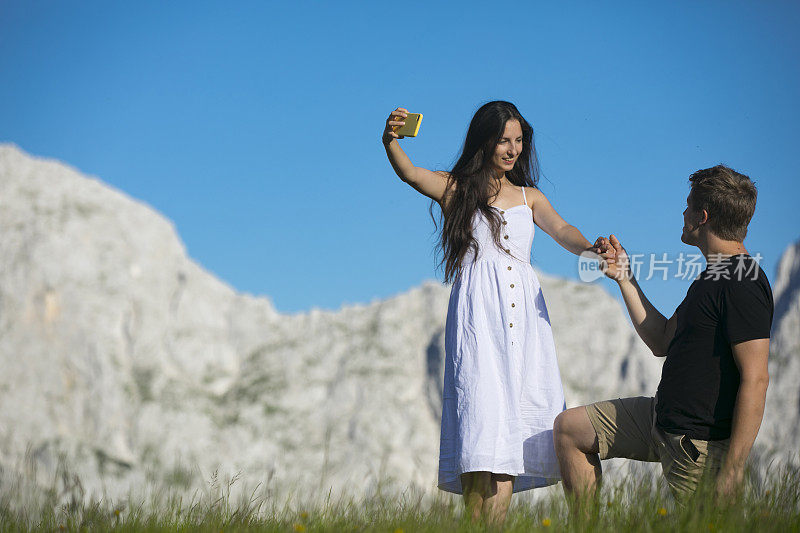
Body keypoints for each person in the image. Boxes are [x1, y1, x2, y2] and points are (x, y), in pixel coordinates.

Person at [382, 101, 596, 526]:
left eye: (518, 140)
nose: (513, 149)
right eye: (503, 140)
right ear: (485, 141)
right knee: (482, 427)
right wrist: (390, 140)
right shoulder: (458, 188)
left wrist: (591, 249)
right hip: (479, 321)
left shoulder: (529, 197)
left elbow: (563, 230)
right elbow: (409, 172)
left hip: (524, 327)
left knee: (509, 437)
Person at [553, 165, 773, 509]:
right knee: (570, 429)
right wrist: (625, 278)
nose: (682, 213)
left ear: (701, 217)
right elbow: (662, 341)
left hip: (695, 446)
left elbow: (756, 379)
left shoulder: (743, 281)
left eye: (687, 206)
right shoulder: (711, 278)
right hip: (660, 419)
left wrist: (732, 470)